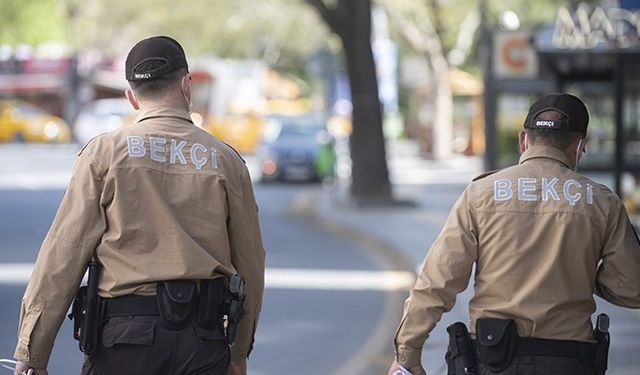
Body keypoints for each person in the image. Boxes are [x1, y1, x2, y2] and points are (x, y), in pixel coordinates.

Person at [13, 36, 265, 375]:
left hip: (124, 343)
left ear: (132, 97)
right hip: (203, 344)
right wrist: (237, 352)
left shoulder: (103, 155)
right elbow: (250, 262)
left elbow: (64, 253)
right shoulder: (226, 162)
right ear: (186, 84)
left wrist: (32, 354)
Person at [387, 93, 640, 375]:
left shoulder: (480, 194)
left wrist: (408, 354)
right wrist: (581, 270)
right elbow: (633, 288)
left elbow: (437, 280)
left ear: (523, 140)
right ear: (580, 145)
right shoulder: (603, 202)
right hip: (570, 362)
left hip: (492, 359)